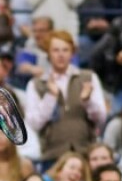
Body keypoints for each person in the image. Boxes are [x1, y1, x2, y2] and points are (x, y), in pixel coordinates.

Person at [24, 30, 106, 166]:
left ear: (72, 53)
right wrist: (50, 97)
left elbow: (101, 118)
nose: (61, 55)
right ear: (48, 53)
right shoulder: (36, 84)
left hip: (85, 152)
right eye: (56, 50)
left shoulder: (88, 78)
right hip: (51, 155)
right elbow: (34, 124)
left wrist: (87, 101)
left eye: (65, 50)